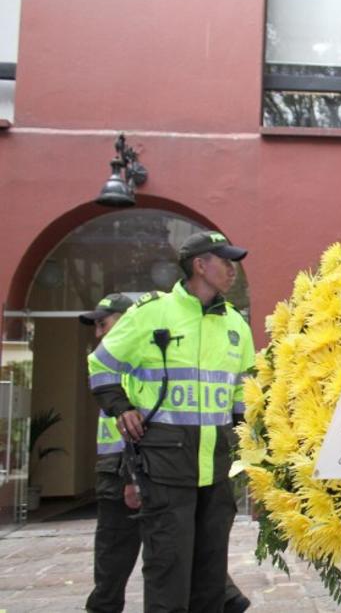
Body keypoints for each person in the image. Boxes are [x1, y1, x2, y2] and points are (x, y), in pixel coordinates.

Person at [88, 231, 255, 613]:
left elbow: (243, 396)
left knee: (211, 576)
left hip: (216, 470)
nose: (233, 269)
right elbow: (101, 364)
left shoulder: (236, 326)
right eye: (225, 261)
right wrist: (120, 407)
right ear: (200, 265)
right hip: (165, 467)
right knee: (168, 571)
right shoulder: (151, 314)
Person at [81, 293, 138, 613]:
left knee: (114, 561)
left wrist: (132, 476)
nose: (98, 332)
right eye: (96, 326)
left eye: (103, 323)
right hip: (114, 469)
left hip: (126, 470)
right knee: (112, 561)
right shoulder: (108, 361)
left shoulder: (137, 361)